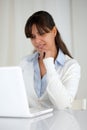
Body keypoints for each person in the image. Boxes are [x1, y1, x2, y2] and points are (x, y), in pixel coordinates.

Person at [20, 10, 81, 109]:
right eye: (33, 37)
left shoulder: (71, 66)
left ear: (54, 32)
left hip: (59, 124)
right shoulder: (25, 63)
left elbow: (63, 105)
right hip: (31, 124)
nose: (37, 41)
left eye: (42, 34)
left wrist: (49, 63)